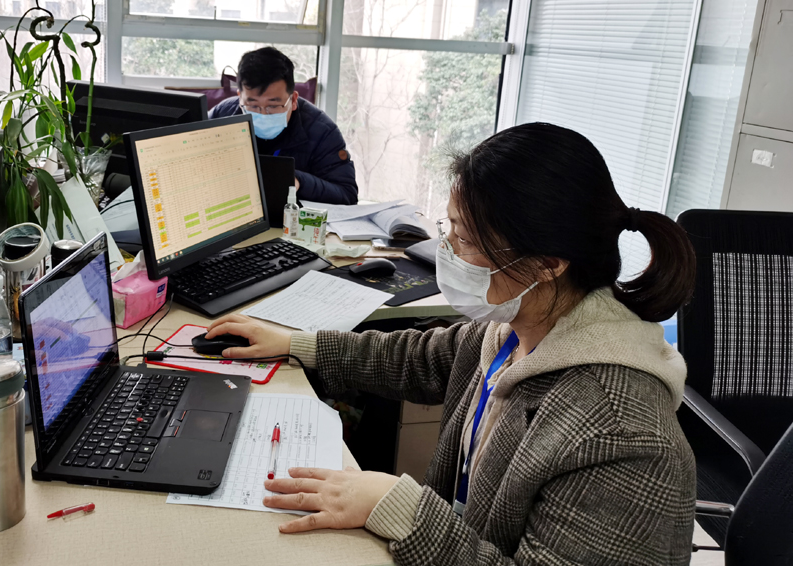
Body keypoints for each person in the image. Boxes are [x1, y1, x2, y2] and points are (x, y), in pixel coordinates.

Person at [206, 123, 698, 564]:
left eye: (465, 239)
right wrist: (298, 344)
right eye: (451, 228)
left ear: (548, 264)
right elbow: (420, 359)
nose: (447, 251)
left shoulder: (622, 436)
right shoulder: (518, 328)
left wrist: (401, 510)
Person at [209, 47, 358, 205]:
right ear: (240, 97)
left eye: (273, 106)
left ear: (293, 100)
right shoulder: (222, 115)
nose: (263, 114)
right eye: (253, 106)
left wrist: (298, 181)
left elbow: (347, 194)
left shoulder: (322, 131)